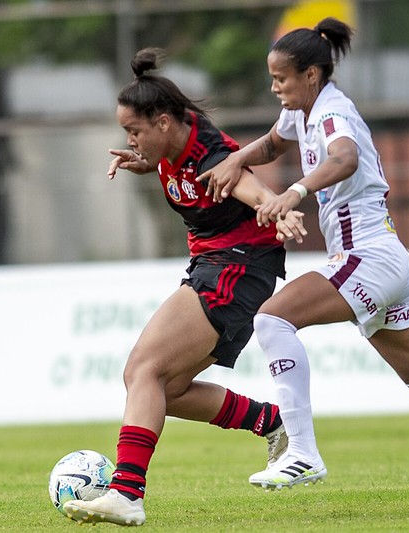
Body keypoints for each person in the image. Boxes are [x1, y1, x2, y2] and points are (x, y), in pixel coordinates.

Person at [196, 17, 409, 515]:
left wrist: (295, 190)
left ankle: (302, 452)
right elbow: (273, 143)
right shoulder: (303, 110)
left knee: (272, 318)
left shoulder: (334, 113)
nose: (274, 88)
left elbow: (346, 160)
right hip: (381, 259)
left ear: (312, 75)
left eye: (282, 79)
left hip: (368, 258)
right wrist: (235, 159)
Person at [63, 48, 307, 526]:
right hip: (213, 263)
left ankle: (126, 493)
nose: (130, 140)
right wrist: (146, 163)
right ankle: (271, 421)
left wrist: (280, 205)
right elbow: (179, 173)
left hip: (239, 264)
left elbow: (248, 188)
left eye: (134, 131)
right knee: (163, 388)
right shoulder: (169, 149)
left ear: (164, 122)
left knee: (144, 370)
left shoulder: (209, 153)